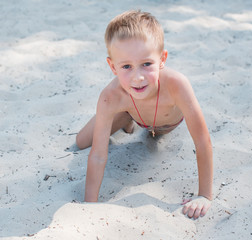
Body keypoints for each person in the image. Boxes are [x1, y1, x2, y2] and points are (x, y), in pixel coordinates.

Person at [75, 10, 213, 220]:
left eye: (146, 64)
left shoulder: (177, 85)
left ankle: (127, 120)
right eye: (126, 66)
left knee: (140, 117)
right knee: (82, 141)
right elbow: (98, 154)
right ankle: (126, 119)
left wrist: (205, 195)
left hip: (165, 124)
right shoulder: (109, 97)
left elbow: (202, 140)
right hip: (132, 111)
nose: (137, 77)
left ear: (162, 59)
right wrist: (89, 204)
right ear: (112, 66)